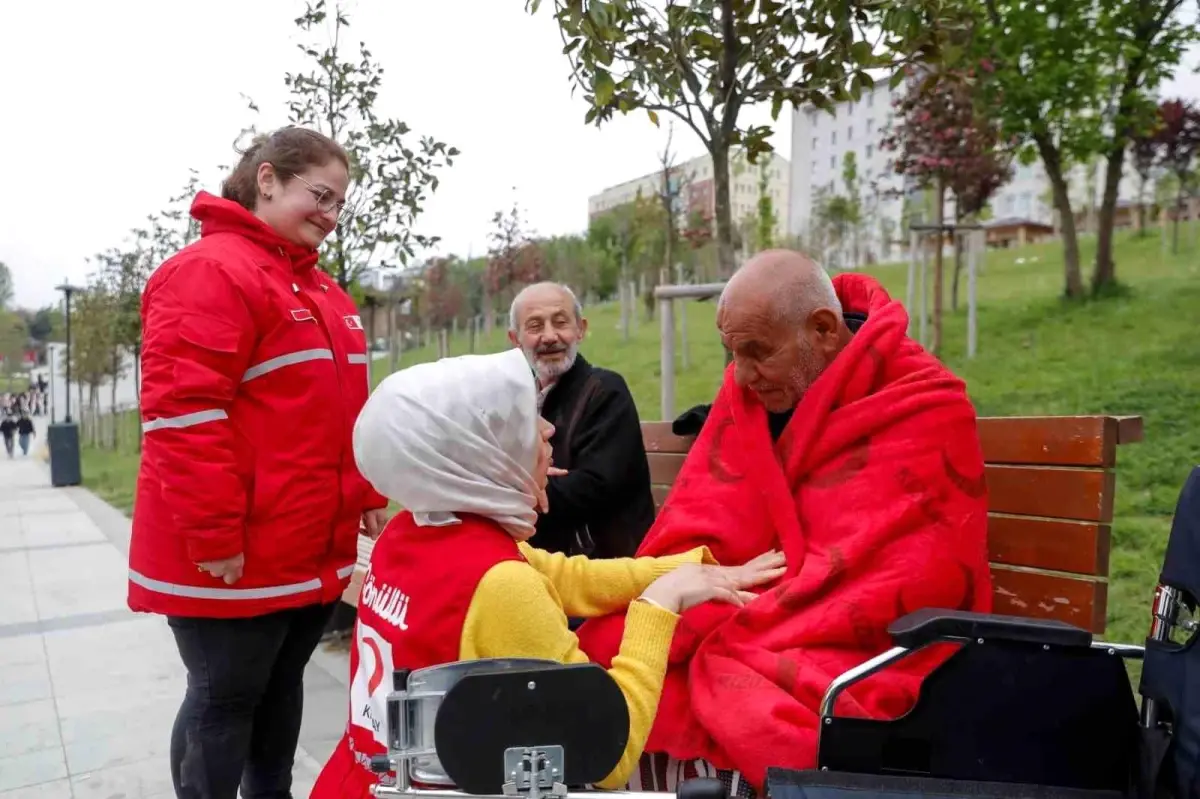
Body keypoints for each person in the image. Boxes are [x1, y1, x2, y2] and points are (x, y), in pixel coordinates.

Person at [577, 250, 993, 797]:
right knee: (605, 644)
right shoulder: (748, 391)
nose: (742, 377)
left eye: (757, 354)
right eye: (732, 354)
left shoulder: (921, 404)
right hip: (752, 589)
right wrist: (698, 585)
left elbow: (911, 571)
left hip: (846, 629)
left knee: (744, 691)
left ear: (822, 330)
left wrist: (767, 606)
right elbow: (707, 514)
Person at [311, 348, 786, 799]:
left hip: (358, 779)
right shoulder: (499, 586)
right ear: (478, 451)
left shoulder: (410, 533)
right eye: (517, 422)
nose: (546, 431)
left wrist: (698, 566)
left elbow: (565, 577)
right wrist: (659, 605)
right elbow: (607, 747)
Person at [128, 126, 390, 799]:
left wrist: (361, 493)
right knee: (225, 698)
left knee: (278, 689)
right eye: (320, 195)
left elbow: (336, 412)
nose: (330, 216)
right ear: (266, 179)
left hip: (303, 547)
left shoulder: (320, 290)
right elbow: (183, 415)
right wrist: (215, 534)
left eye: (339, 204)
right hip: (235, 553)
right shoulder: (210, 271)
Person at [508, 282, 656, 559]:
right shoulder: (514, 398)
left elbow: (595, 487)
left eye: (561, 322)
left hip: (603, 561)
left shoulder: (606, 391)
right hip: (537, 558)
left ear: (581, 329)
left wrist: (518, 484)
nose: (550, 337)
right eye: (535, 327)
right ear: (515, 339)